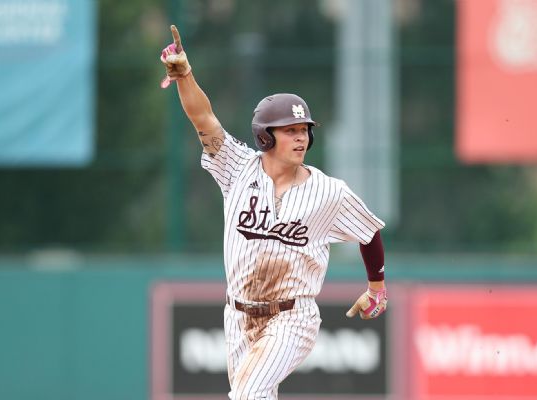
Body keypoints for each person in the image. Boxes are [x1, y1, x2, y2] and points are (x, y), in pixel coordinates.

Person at [160, 25, 388, 400]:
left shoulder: (328, 191)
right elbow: (204, 119)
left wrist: (376, 287)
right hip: (237, 316)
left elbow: (369, 232)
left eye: (304, 130)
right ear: (266, 135)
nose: (301, 137)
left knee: (246, 397)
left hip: (292, 316)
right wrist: (184, 75)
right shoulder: (237, 168)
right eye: (290, 130)